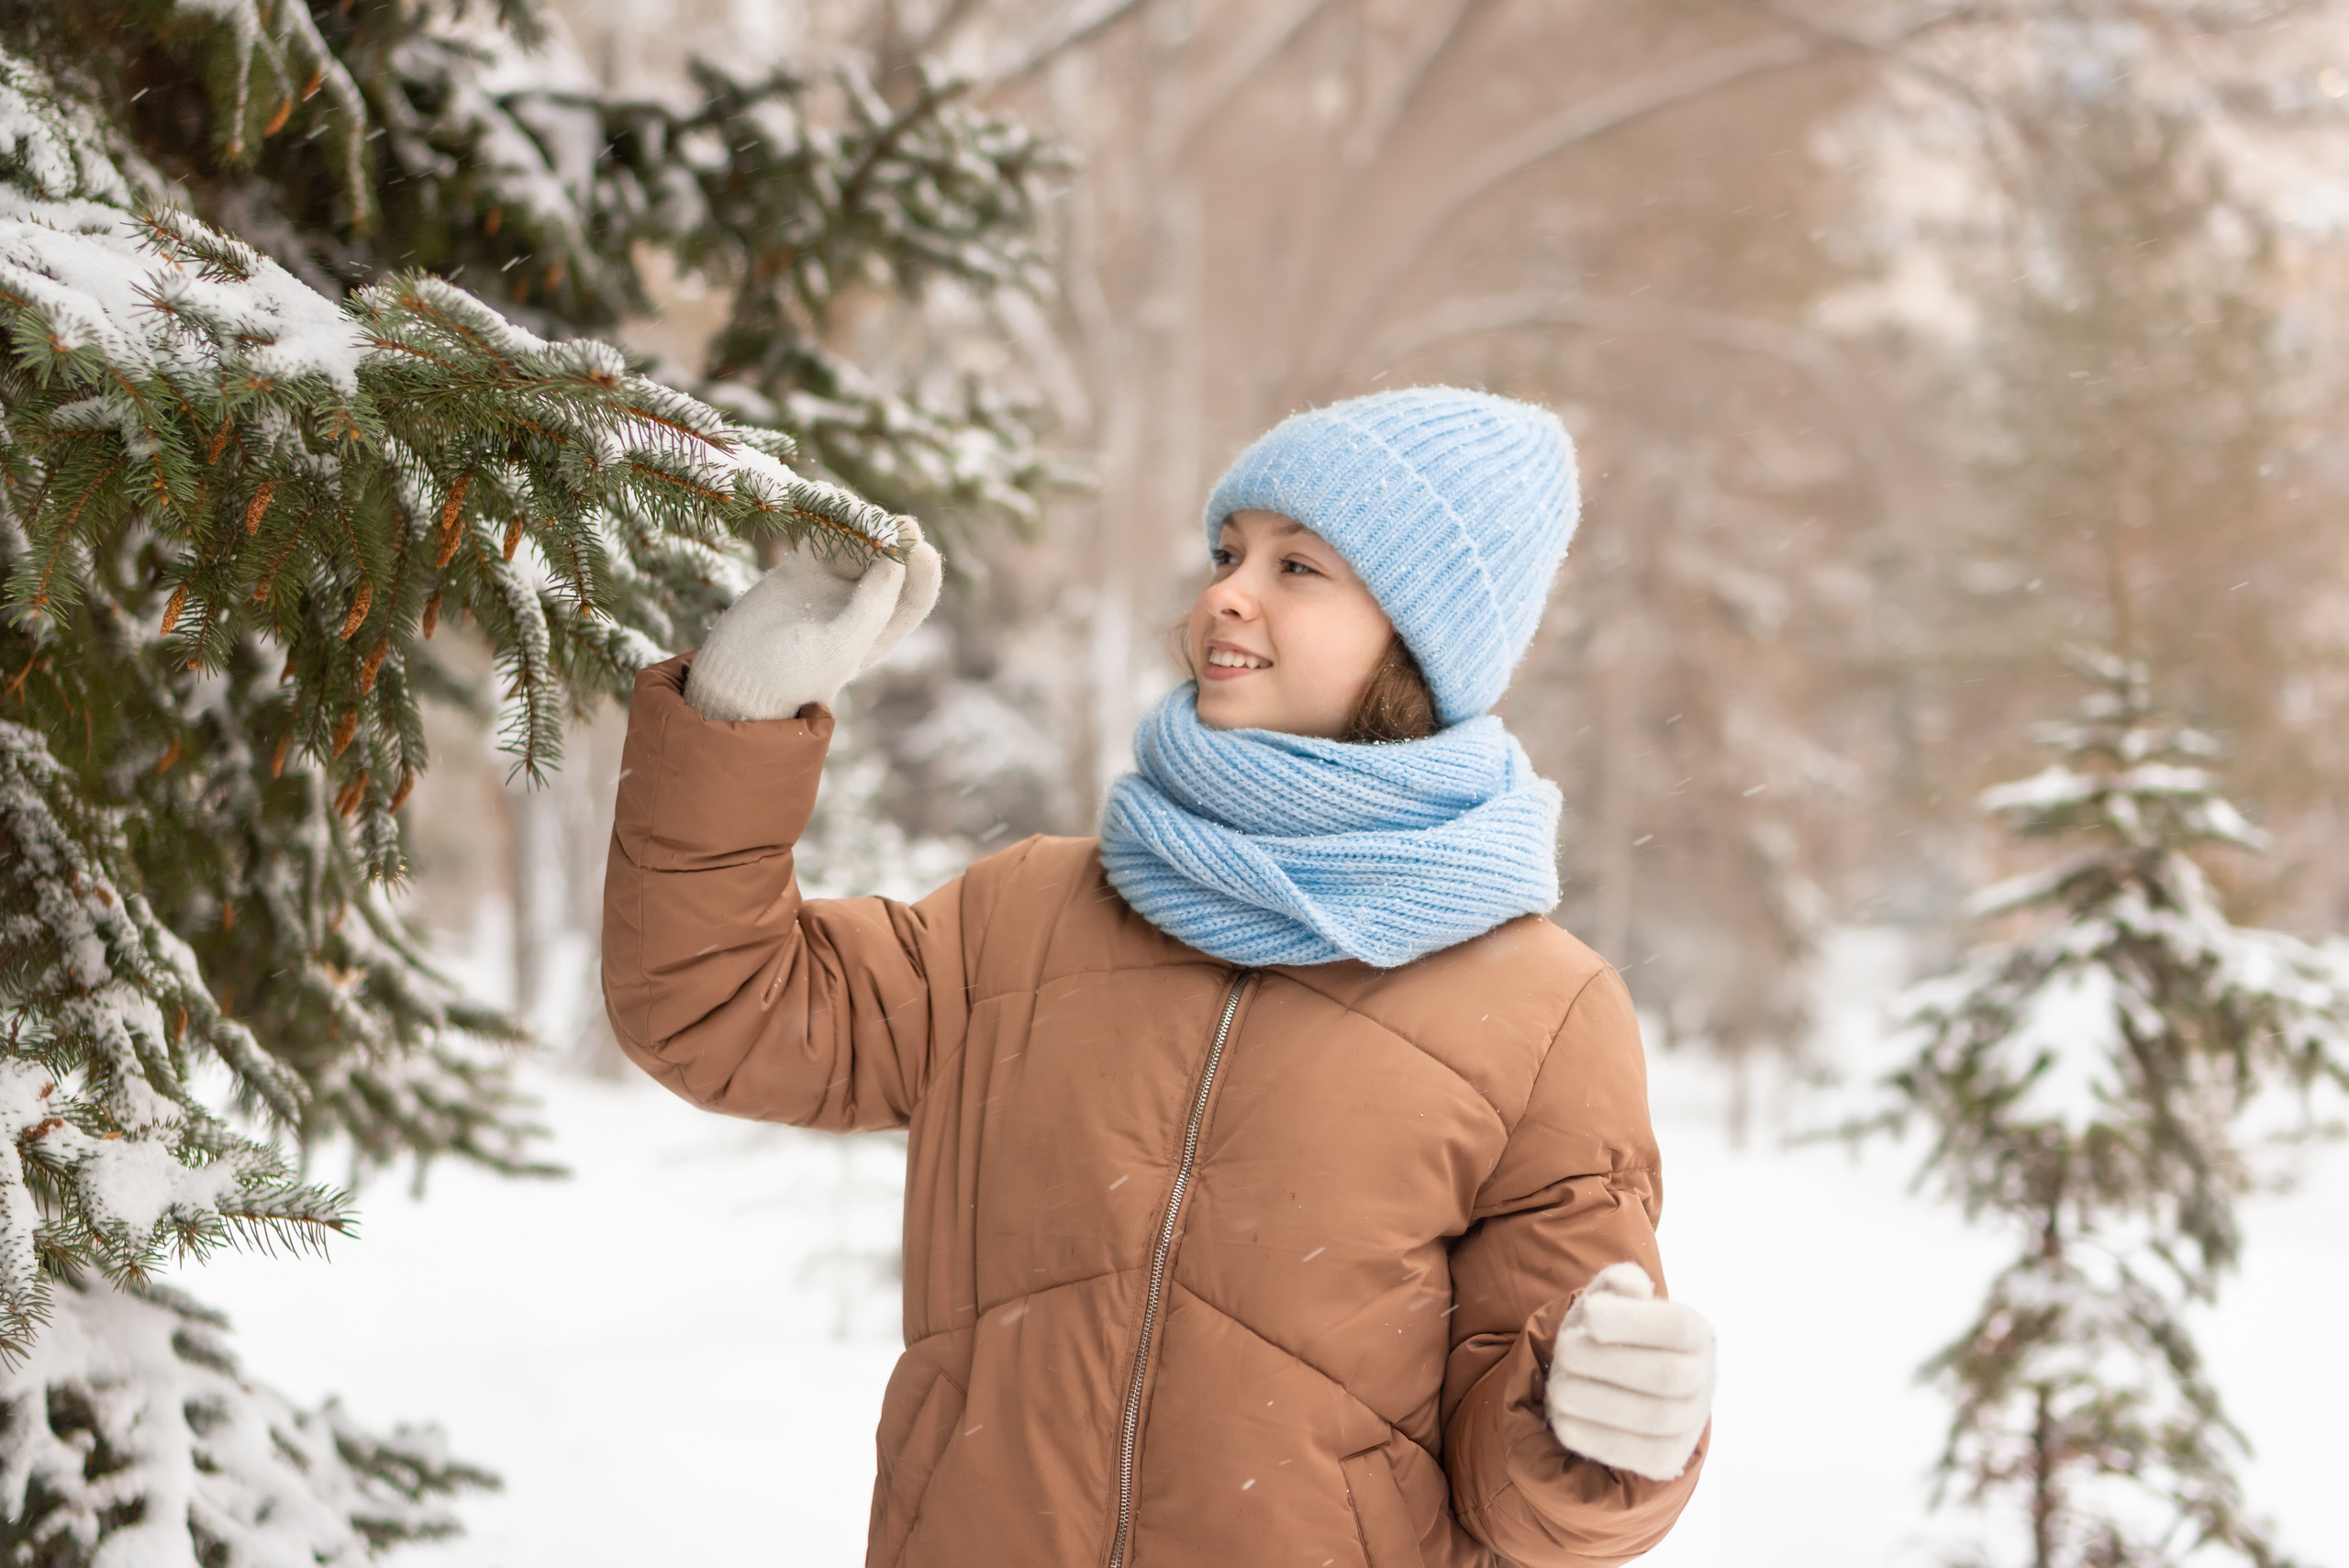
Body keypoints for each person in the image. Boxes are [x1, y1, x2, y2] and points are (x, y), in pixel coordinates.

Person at [602, 386, 1716, 1568]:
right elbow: (716, 1007)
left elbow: (1524, 1496)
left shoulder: (1541, 1011)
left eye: (1298, 567)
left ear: (1418, 640)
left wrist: (1603, 1435)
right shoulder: (1024, 914)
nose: (1224, 593)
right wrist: (736, 716)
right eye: (1229, 553)